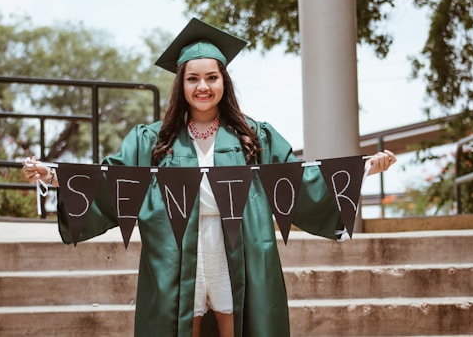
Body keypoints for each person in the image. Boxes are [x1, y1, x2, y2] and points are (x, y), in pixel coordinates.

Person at [23, 18, 397, 337]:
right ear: (181, 85)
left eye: (212, 77)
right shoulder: (152, 139)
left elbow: (296, 180)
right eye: (193, 79)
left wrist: (360, 170)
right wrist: (53, 175)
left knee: (236, 322)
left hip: (238, 243)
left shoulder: (254, 136)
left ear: (224, 82)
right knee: (185, 325)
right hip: (175, 246)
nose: (203, 86)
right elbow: (111, 180)